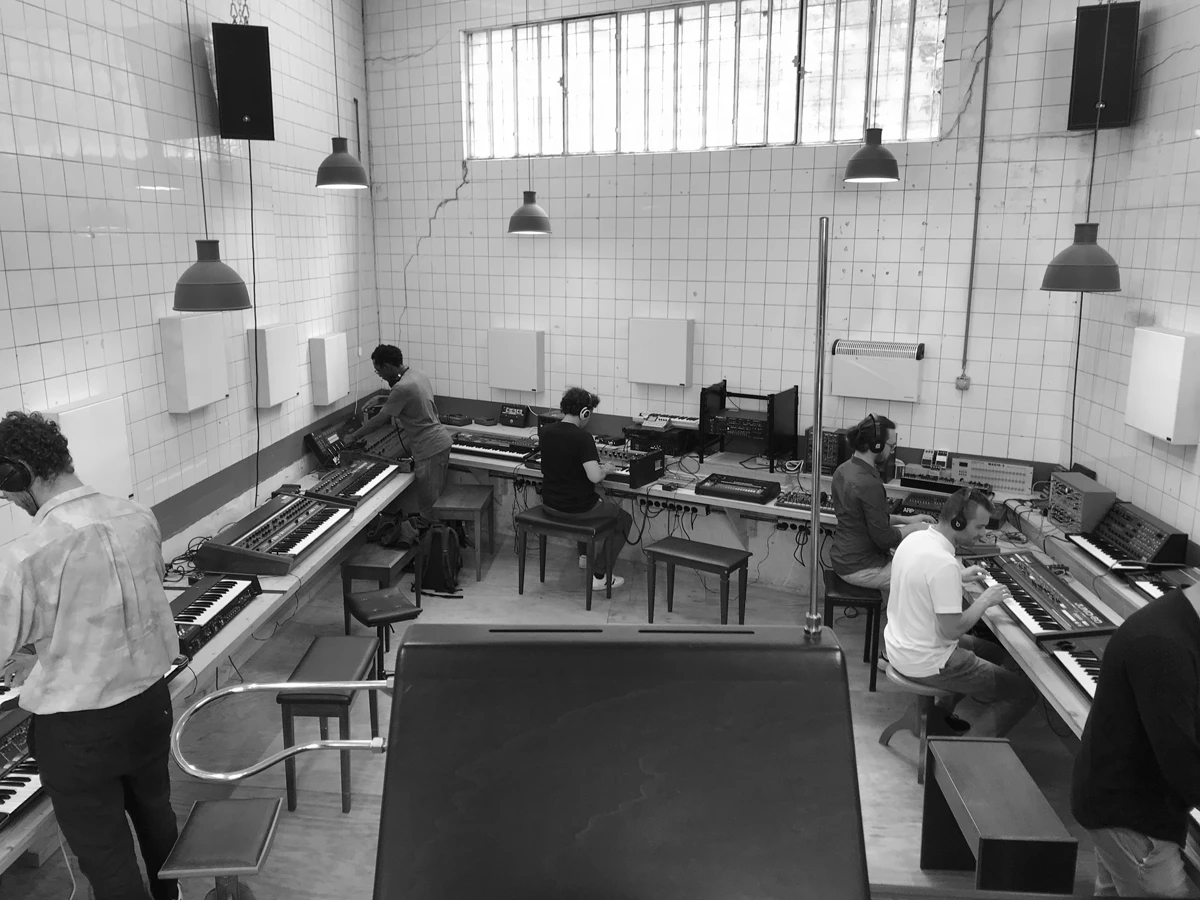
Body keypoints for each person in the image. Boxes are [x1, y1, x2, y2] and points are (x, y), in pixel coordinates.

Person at [0, 411, 180, 900]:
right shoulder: (137, 515)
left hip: (80, 733)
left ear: (17, 472)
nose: (7, 498)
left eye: (5, 485)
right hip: (150, 703)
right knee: (157, 818)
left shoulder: (27, 555)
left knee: (107, 857)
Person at [1071, 582, 1200, 897]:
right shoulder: (1162, 644)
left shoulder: (1179, 616)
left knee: (1114, 888)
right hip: (1130, 812)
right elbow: (1181, 760)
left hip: (1117, 793)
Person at [883, 487, 1038, 737]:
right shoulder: (943, 563)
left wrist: (959, 575)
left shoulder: (917, 539)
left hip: (900, 646)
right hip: (929, 662)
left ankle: (938, 717)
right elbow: (952, 630)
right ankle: (964, 758)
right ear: (958, 522)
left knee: (996, 653)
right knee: (1023, 693)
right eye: (978, 527)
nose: (983, 533)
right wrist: (984, 600)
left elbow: (923, 579)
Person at [830, 414, 935, 601]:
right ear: (876, 445)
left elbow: (869, 519)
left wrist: (907, 520)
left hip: (843, 558)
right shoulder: (868, 483)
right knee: (927, 580)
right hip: (861, 568)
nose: (893, 451)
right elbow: (885, 538)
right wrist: (917, 528)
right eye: (891, 446)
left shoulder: (844, 469)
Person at [538, 387, 634, 591]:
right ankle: (600, 575)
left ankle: (584, 557)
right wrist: (605, 469)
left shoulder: (545, 431)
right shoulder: (583, 438)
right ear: (585, 413)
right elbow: (594, 476)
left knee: (595, 497)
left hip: (549, 504)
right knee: (624, 520)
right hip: (575, 510)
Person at [345, 344, 453, 525]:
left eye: (378, 371)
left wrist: (352, 436)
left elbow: (380, 420)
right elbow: (412, 397)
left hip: (428, 449)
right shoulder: (417, 374)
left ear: (387, 367)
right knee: (434, 502)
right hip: (440, 442)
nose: (379, 375)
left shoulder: (401, 388)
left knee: (429, 508)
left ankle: (432, 547)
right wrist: (381, 398)